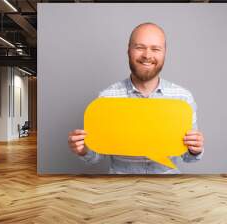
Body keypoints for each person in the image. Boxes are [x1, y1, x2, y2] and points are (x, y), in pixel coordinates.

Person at [68, 22, 204, 174]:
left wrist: (195, 149)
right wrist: (83, 149)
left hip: (167, 188)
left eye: (155, 48)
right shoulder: (107, 98)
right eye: (140, 47)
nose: (147, 55)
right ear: (128, 51)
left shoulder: (183, 98)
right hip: (121, 188)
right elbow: (95, 156)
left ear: (164, 53)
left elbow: (189, 157)